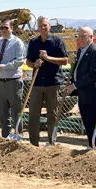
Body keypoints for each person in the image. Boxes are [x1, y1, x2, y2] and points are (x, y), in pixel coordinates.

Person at [26, 16, 68, 146]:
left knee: (52, 114)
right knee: (33, 113)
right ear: (37, 28)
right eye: (40, 26)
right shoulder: (33, 42)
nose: (43, 28)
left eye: (45, 25)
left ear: (49, 26)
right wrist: (34, 64)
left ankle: (51, 142)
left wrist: (48, 58)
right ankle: (34, 143)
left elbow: (65, 60)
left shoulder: (57, 41)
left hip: (52, 82)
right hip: (37, 83)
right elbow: (28, 61)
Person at [64, 27, 96, 151]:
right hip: (82, 92)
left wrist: (74, 85)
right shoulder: (80, 50)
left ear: (91, 37)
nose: (80, 39)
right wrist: (71, 83)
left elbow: (92, 75)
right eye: (79, 36)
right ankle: (90, 144)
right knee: (86, 120)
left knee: (95, 120)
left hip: (93, 93)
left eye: (83, 36)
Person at [0, 20, 25, 138]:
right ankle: (5, 135)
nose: (4, 30)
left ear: (11, 28)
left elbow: (19, 60)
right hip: (0, 81)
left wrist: (4, 66)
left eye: (6, 27)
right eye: (1, 28)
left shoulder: (17, 43)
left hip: (13, 80)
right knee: (3, 110)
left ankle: (18, 135)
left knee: (16, 110)